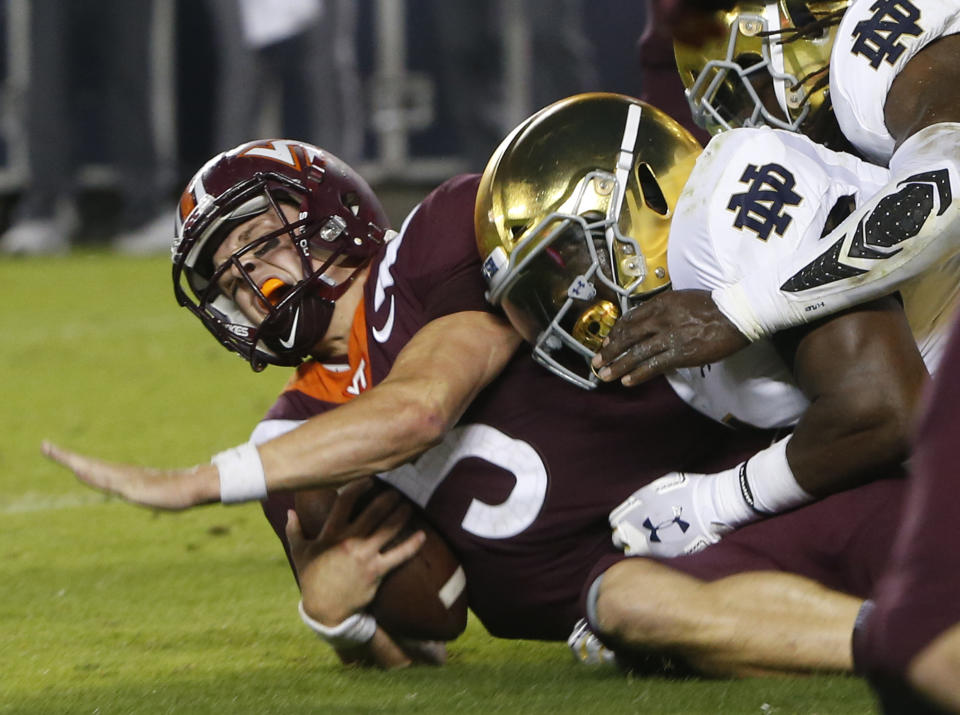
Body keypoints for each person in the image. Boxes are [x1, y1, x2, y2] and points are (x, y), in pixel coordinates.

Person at [45, 95, 925, 679]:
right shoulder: (291, 438)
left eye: (255, 245)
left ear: (326, 212)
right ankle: (901, 648)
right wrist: (343, 620)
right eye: (225, 279)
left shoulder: (436, 237)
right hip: (619, 585)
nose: (247, 283)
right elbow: (416, 630)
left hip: (736, 467)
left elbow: (422, 405)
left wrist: (204, 480)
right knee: (629, 600)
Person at [588, 0, 960, 552]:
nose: (745, 115)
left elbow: (939, 193)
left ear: (809, 25)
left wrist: (745, 308)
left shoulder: (875, 68)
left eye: (752, 79)